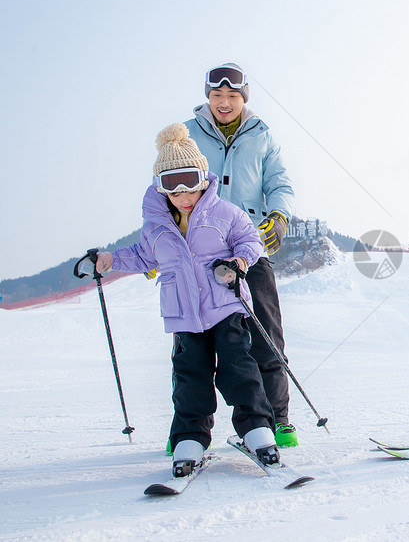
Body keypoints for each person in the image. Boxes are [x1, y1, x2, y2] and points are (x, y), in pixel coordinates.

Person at [95, 123, 280, 475]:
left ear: (203, 178)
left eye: (190, 181)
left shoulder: (225, 212)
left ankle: (257, 431)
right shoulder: (157, 225)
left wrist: (239, 262)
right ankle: (190, 439)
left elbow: (251, 241)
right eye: (171, 184)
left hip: (226, 307)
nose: (183, 193)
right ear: (159, 186)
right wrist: (110, 260)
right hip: (183, 314)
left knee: (239, 369)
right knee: (189, 377)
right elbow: (143, 256)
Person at [181, 62, 297, 448]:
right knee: (197, 343)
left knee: (266, 335)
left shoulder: (261, 135)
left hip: (251, 247)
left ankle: (277, 419)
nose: (224, 103)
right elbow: (166, 188)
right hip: (200, 254)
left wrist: (278, 215)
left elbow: (278, 181)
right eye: (217, 96)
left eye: (232, 96)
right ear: (208, 98)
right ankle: (192, 430)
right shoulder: (187, 136)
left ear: (243, 98)